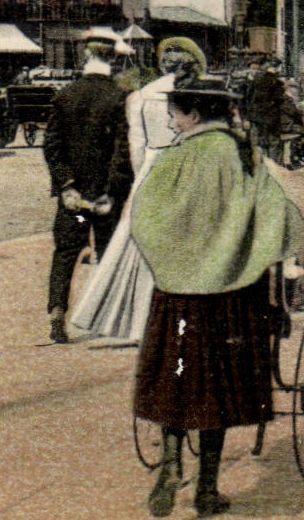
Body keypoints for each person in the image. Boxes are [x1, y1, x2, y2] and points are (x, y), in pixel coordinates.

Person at [131, 78, 304, 517]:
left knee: (177, 374)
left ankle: (173, 461)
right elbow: (280, 216)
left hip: (179, 297)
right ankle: (207, 489)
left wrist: (176, 259)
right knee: (216, 385)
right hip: (231, 295)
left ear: (193, 115)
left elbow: (144, 220)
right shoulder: (245, 156)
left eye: (175, 113)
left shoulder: (172, 158)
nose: (172, 122)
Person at [71, 37, 206, 343]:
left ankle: (141, 321)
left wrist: (143, 177)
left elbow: (137, 147)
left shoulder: (142, 96)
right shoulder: (201, 93)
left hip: (153, 168)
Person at [43, 30, 134, 344]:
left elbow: (52, 146)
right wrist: (111, 190)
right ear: (113, 59)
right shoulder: (119, 96)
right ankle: (104, 318)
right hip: (105, 197)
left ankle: (57, 311)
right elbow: (123, 151)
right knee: (108, 253)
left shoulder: (65, 94)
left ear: (85, 56)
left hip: (74, 198)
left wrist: (66, 186)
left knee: (65, 254)